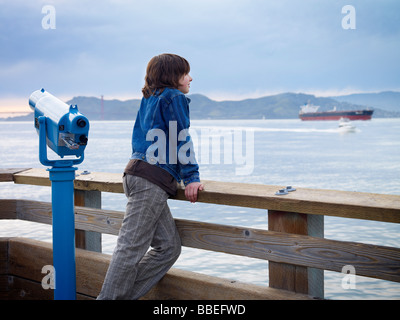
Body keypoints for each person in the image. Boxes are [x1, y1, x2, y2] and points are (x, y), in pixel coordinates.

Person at [97, 53, 203, 300]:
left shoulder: (150, 98)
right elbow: (181, 138)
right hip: (150, 182)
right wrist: (192, 178)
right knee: (129, 249)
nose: (190, 78)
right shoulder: (174, 97)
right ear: (172, 76)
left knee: (168, 248)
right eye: (185, 73)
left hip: (135, 173)